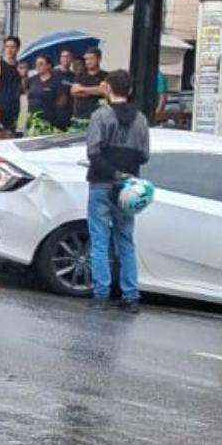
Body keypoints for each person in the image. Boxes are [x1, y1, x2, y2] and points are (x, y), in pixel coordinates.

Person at [85, 70, 150, 311]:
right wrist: (125, 172)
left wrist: (112, 172)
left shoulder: (100, 116)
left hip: (101, 185)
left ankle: (101, 294)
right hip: (129, 188)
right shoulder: (141, 119)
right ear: (130, 90)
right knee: (126, 241)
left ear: (108, 89)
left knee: (100, 242)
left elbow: (93, 152)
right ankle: (130, 295)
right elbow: (144, 156)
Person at [0, 36, 22, 137]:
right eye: (7, 47)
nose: (9, 50)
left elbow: (23, 90)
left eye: (12, 47)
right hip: (0, 109)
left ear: (17, 49)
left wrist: (23, 77)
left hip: (14, 110)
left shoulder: (20, 67)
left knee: (10, 141)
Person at [26, 54, 69, 131]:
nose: (37, 66)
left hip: (50, 121)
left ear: (48, 65)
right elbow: (27, 94)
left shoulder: (57, 81)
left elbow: (62, 101)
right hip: (33, 120)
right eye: (36, 64)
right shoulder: (32, 79)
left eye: (41, 64)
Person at [68, 48, 109, 123]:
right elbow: (73, 92)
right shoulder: (79, 75)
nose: (88, 62)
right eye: (86, 59)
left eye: (91, 59)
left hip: (99, 118)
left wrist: (82, 89)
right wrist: (97, 90)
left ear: (99, 59)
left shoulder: (106, 76)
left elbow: (104, 91)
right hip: (79, 118)